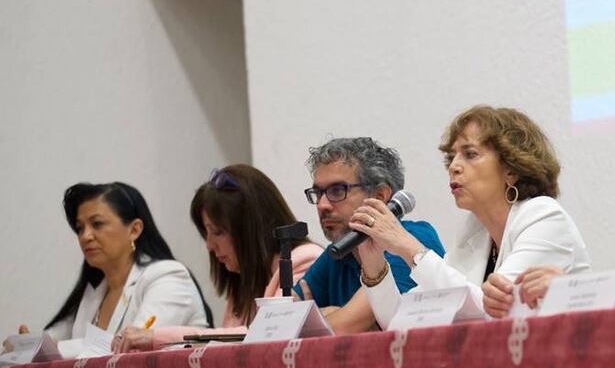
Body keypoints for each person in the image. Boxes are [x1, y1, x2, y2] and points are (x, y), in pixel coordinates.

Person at [326, 105, 590, 326]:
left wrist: (406, 245)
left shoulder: (543, 217)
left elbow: (489, 312)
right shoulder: (475, 233)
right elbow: (401, 322)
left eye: (470, 154)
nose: (453, 166)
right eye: (452, 157)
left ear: (511, 169)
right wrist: (373, 263)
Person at [115, 165, 323, 351]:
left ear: (250, 228)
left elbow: (264, 334)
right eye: (206, 233)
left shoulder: (304, 261)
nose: (209, 245)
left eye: (217, 232)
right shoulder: (243, 278)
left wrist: (156, 337)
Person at [294, 137, 445, 332]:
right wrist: (332, 314)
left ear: (380, 196)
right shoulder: (338, 253)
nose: (322, 205)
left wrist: (321, 316)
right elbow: (282, 324)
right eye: (318, 193)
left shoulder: (412, 240)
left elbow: (341, 328)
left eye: (337, 191)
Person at [44, 182, 211, 353]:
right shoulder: (94, 292)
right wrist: (29, 346)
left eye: (97, 224)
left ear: (134, 230)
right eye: (80, 228)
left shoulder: (168, 276)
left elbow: (133, 347)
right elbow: (53, 339)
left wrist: (55, 349)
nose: (85, 236)